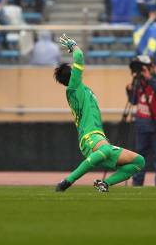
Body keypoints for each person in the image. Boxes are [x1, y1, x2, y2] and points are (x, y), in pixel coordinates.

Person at [55, 35, 146, 192]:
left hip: (99, 136)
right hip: (89, 137)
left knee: (139, 161)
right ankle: (67, 181)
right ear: (72, 74)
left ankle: (105, 184)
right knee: (105, 150)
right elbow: (79, 56)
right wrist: (74, 46)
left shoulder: (80, 89)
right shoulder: (73, 87)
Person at [125, 54, 156, 186]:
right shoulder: (139, 81)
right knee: (139, 157)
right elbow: (133, 101)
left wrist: (149, 78)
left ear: (153, 67)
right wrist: (129, 90)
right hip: (142, 124)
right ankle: (137, 183)